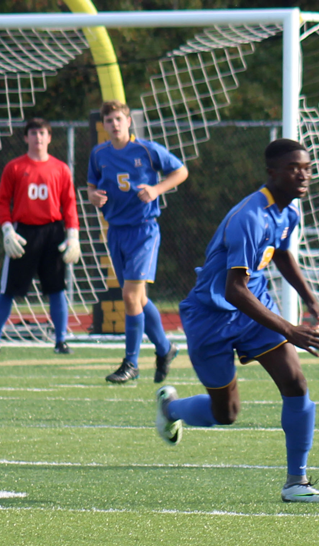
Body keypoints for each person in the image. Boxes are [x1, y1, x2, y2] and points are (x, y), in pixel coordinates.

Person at [154, 139, 319, 503]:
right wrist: (289, 329)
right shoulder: (250, 217)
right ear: (272, 174)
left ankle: (296, 482)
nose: (302, 175)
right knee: (227, 413)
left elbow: (282, 254)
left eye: (306, 167)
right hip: (212, 317)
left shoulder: (289, 212)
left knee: (296, 381)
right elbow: (234, 289)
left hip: (254, 310)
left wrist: (312, 303)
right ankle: (170, 409)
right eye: (292, 168)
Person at [87, 100, 188, 384]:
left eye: (119, 119)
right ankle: (165, 349)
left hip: (143, 230)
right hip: (116, 231)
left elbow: (180, 171)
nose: (114, 124)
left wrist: (156, 189)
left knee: (130, 297)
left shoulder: (146, 149)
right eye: (109, 120)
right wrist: (93, 197)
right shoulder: (99, 153)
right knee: (139, 299)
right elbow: (91, 186)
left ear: (128, 121)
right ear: (104, 125)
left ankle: (131, 363)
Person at [0, 118, 80, 355]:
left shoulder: (61, 168)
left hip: (53, 233)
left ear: (50, 137)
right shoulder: (14, 168)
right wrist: (7, 229)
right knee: (8, 290)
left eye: (42, 133)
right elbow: (3, 201)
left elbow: (69, 204)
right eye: (33, 133)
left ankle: (61, 341)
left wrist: (73, 235)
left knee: (56, 289)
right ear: (26, 138)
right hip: (22, 234)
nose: (38, 137)